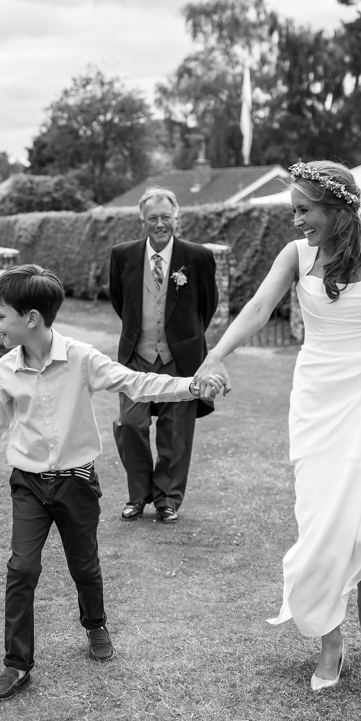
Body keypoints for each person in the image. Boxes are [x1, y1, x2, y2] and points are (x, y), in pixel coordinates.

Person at [195, 161, 361, 691]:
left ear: (337, 208)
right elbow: (260, 307)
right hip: (318, 394)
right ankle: (332, 640)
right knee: (318, 515)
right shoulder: (297, 254)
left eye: (304, 210)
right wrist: (216, 355)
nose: (297, 221)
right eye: (294, 211)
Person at [0, 264, 214, 701]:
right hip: (29, 484)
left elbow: (136, 382)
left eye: (1, 316)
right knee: (21, 568)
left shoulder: (81, 358)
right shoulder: (6, 369)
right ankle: (17, 664)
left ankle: (95, 625)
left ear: (32, 318)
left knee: (84, 564)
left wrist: (191, 386)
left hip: (77, 483)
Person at [109, 186, 219, 524]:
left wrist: (183, 339)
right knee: (130, 423)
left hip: (180, 359)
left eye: (166, 218)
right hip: (137, 356)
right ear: (142, 221)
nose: (160, 224)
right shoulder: (122, 255)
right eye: (152, 218)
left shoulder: (198, 257)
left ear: (177, 218)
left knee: (175, 432)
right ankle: (138, 495)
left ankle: (168, 500)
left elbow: (207, 305)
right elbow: (119, 301)